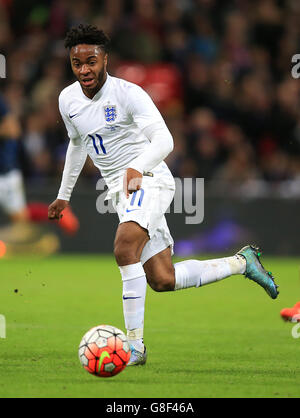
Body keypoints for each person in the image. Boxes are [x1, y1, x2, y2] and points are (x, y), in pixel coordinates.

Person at [48, 24, 279, 366]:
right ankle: (242, 263)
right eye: (77, 63)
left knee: (125, 246)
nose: (84, 69)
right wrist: (64, 195)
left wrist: (137, 167)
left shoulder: (129, 94)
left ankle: (135, 347)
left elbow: (165, 141)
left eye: (91, 61)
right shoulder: (67, 100)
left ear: (105, 59)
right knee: (161, 278)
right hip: (121, 192)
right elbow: (77, 144)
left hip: (150, 179)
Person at [0, 93, 79, 239]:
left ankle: (55, 213)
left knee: (20, 216)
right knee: (20, 216)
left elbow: (13, 129)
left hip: (5, 170)